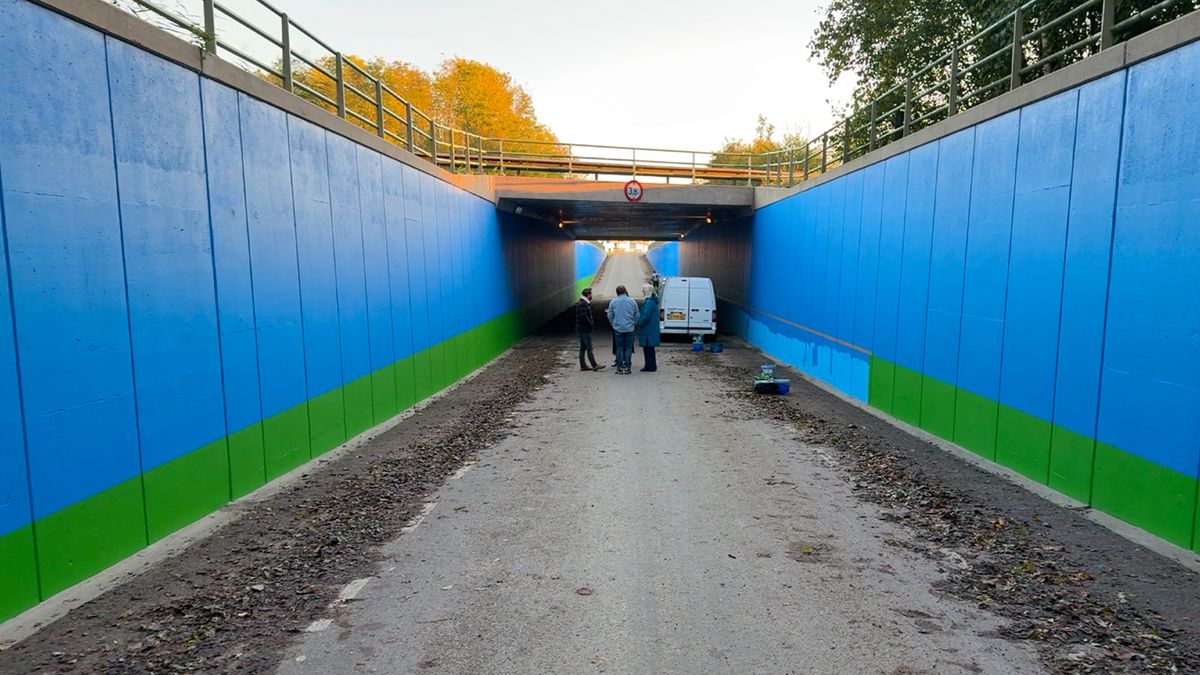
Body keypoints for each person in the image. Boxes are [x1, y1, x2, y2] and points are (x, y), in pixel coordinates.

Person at [606, 285, 638, 374]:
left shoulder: (613, 302)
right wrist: (633, 324)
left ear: (617, 293)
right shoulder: (632, 301)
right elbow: (637, 315)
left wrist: (613, 324)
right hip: (629, 328)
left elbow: (609, 315)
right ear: (625, 291)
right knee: (628, 348)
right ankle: (628, 368)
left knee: (619, 348)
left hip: (618, 328)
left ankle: (619, 368)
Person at [575, 288, 605, 372]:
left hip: (581, 328)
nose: (591, 296)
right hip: (584, 329)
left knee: (583, 348)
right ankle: (594, 365)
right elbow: (584, 316)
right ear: (588, 295)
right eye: (591, 294)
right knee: (589, 347)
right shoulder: (583, 304)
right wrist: (591, 324)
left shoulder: (582, 303)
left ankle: (583, 365)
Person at [637, 284, 660, 372]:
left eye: (643, 290)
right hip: (651, 329)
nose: (642, 292)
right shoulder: (652, 302)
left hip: (648, 329)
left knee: (648, 349)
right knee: (649, 349)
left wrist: (640, 323)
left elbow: (646, 316)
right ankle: (650, 365)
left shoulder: (649, 302)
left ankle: (649, 366)